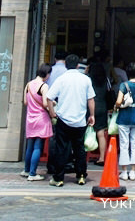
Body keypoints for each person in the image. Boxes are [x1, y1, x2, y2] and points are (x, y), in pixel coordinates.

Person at [46, 53, 95, 187]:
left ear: (66, 65)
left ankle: (59, 178)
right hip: (80, 120)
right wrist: (92, 115)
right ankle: (81, 176)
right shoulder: (85, 79)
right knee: (79, 149)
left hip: (63, 119)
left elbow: (49, 98)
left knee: (61, 149)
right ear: (78, 65)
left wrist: (52, 113)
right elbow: (90, 99)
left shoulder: (61, 79)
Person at [114, 61, 135, 181]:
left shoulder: (124, 85)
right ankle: (133, 172)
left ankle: (124, 171)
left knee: (123, 144)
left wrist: (116, 107)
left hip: (124, 117)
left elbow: (118, 101)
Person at [21, 63, 54, 181]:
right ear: (47, 74)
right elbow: (45, 103)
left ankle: (26, 170)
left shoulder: (28, 85)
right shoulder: (44, 86)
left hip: (30, 118)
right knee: (38, 146)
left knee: (30, 146)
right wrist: (53, 105)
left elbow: (25, 102)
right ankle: (33, 173)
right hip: (41, 118)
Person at [86, 60, 109, 166]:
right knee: (101, 134)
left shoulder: (88, 80)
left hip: (90, 106)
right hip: (102, 106)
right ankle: (101, 158)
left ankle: (82, 155)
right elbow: (109, 91)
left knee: (85, 131)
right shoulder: (106, 80)